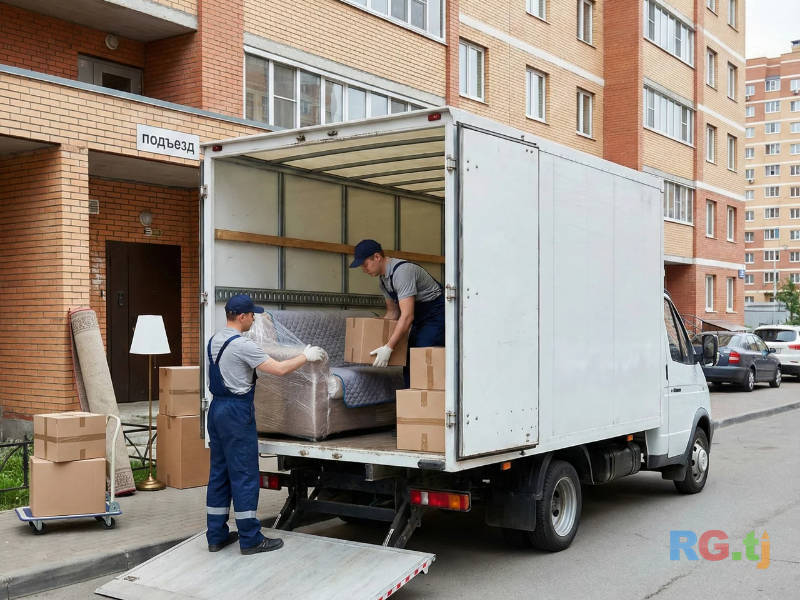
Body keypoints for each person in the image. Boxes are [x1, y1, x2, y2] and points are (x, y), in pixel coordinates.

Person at [206, 293, 325, 555]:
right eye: (251, 315)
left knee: (219, 473)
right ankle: (250, 539)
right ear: (241, 316)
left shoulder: (214, 340)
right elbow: (280, 369)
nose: (254, 318)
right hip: (237, 413)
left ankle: (215, 536)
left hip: (216, 410)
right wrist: (306, 355)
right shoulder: (242, 345)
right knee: (245, 475)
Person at [349, 239, 445, 380]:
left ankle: (429, 398)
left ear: (377, 257)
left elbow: (407, 316)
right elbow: (393, 313)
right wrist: (373, 332)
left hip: (437, 314)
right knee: (408, 357)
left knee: (421, 354)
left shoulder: (402, 273)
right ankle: (411, 398)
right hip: (420, 317)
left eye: (365, 265)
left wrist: (389, 347)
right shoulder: (383, 281)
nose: (364, 270)